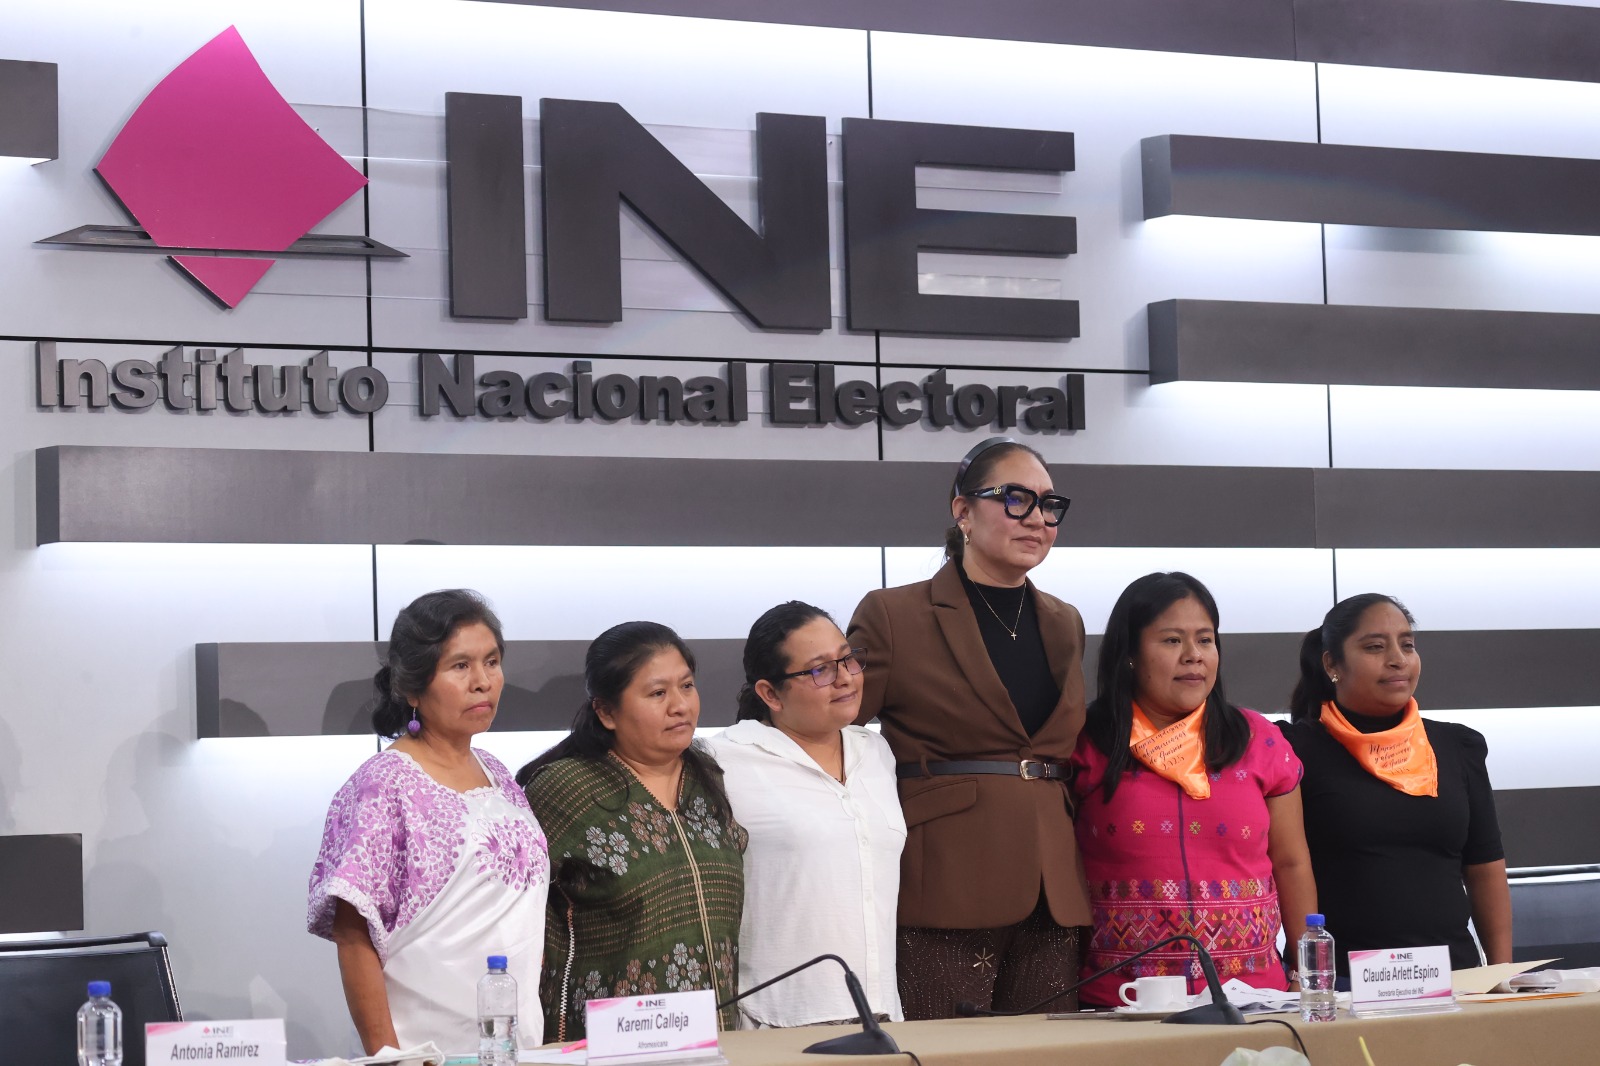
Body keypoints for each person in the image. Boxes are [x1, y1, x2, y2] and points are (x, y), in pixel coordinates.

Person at [847, 436, 1090, 1019]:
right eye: (1015, 499)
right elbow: (836, 726)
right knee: (947, 1052)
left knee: (1051, 1059)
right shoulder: (894, 613)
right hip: (946, 879)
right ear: (961, 511)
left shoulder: (1065, 620)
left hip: (1052, 885)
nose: (1037, 519)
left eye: (1049, 505)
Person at [308, 590, 549, 1054]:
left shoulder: (498, 773)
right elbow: (354, 933)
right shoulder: (384, 784)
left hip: (514, 1048)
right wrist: (391, 1058)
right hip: (429, 1053)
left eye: (492, 661)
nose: (483, 681)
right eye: (460, 666)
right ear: (413, 687)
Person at [1069, 573, 1315, 1007]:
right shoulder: (1085, 741)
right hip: (1122, 1002)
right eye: (1171, 641)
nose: (1193, 656)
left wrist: (1304, 973)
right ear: (1128, 653)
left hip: (1255, 998)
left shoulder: (1259, 738)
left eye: (1205, 640)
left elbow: (1292, 862)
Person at [519, 622, 746, 1041]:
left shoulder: (706, 776)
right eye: (658, 693)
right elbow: (511, 919)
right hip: (607, 1043)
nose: (680, 706)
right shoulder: (565, 788)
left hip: (710, 1040)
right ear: (606, 711)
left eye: (687, 686)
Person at [1280, 594, 1512, 973]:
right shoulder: (1294, 749)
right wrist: (1306, 977)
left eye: (1407, 645)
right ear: (1331, 664)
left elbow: (1485, 865)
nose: (1397, 659)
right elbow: (1285, 866)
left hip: (1453, 978)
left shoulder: (1458, 746)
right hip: (1344, 984)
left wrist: (1501, 972)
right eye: (1375, 647)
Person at [706, 602, 905, 1028]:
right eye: (820, 670)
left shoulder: (876, 752)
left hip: (879, 1015)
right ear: (770, 693)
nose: (846, 677)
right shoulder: (722, 760)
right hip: (780, 1020)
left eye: (848, 658)